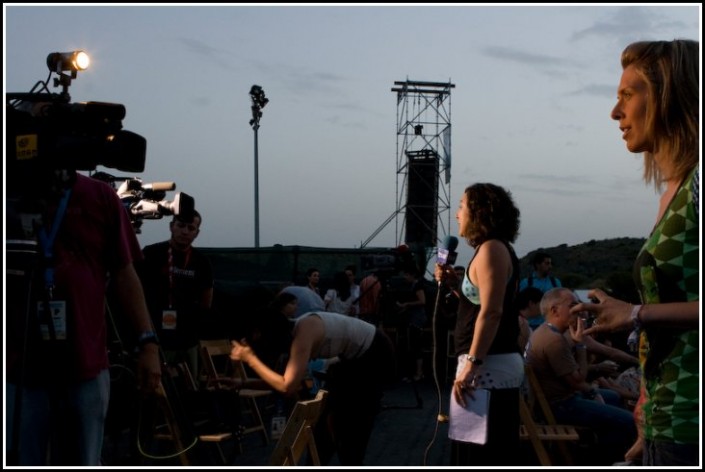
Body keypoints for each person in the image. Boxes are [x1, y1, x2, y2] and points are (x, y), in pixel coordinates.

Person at [576, 39, 699, 467]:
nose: (615, 112)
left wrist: (635, 313)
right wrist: (646, 410)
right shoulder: (674, 191)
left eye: (627, 95)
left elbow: (651, 315)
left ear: (669, 93)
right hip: (665, 421)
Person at [5, 167, 162, 465]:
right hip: (18, 368)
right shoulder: (10, 193)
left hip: (85, 367)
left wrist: (148, 343)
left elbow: (124, 274)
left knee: (84, 459)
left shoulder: (100, 196)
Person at [229, 298, 396, 465]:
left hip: (374, 353)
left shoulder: (303, 334)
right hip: (353, 360)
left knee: (349, 427)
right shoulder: (297, 334)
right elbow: (283, 382)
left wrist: (250, 359)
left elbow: (287, 386)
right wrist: (243, 383)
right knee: (323, 431)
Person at [434, 182, 523, 466]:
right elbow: (480, 302)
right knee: (473, 450)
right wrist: (453, 284)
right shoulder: (490, 249)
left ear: (480, 212)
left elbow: (493, 312)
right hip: (485, 366)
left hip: (487, 368)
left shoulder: (492, 250)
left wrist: (472, 363)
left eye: (462, 206)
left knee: (479, 454)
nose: (457, 214)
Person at [524, 288, 637, 464]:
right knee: (629, 421)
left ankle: (599, 446)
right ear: (555, 310)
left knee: (613, 396)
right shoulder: (554, 341)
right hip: (560, 405)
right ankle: (606, 460)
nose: (579, 309)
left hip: (559, 399)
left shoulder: (546, 331)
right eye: (573, 305)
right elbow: (578, 380)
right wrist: (580, 346)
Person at [137, 210, 214, 378]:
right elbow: (135, 292)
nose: (185, 231)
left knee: (189, 389)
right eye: (180, 225)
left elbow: (206, 302)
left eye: (191, 228)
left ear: (197, 233)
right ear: (172, 227)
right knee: (155, 388)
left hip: (187, 340)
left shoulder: (202, 262)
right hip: (156, 339)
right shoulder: (151, 253)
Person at [397, 266, 428, 381]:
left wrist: (407, 304)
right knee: (415, 345)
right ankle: (417, 372)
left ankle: (418, 373)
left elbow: (422, 301)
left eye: (407, 275)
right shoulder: (415, 285)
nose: (405, 277)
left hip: (417, 319)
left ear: (412, 275)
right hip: (415, 317)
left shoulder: (417, 286)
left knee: (416, 345)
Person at [515, 287, 544, 351]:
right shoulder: (522, 323)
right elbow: (523, 350)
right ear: (531, 303)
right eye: (541, 303)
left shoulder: (520, 320)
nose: (542, 308)